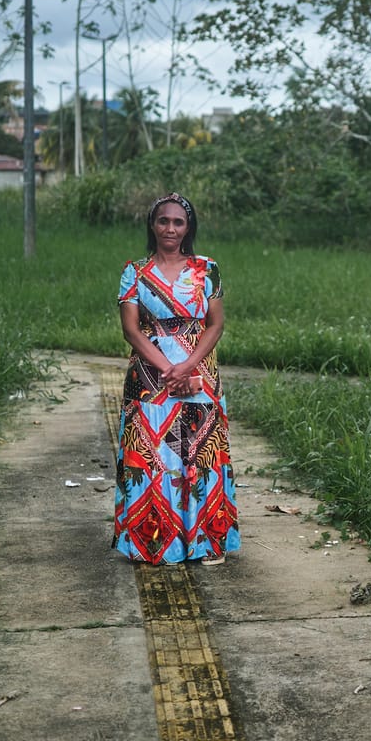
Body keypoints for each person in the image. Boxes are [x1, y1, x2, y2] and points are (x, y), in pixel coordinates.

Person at [113, 193, 239, 565]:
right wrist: (169, 370)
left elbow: (215, 325)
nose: (170, 228)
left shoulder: (207, 269)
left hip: (200, 374)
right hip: (149, 380)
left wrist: (188, 367)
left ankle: (207, 543)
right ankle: (150, 543)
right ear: (152, 225)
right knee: (150, 457)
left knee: (201, 453)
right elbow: (131, 331)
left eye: (178, 222)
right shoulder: (133, 272)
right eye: (163, 221)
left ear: (189, 228)